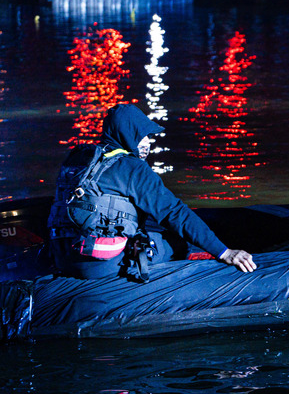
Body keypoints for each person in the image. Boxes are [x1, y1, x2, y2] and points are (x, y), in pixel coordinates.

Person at [48, 103, 257, 280]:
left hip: (63, 257)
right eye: (143, 135)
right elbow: (174, 213)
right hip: (100, 265)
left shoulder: (79, 158)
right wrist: (224, 251)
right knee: (178, 242)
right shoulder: (132, 168)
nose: (148, 141)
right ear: (129, 134)